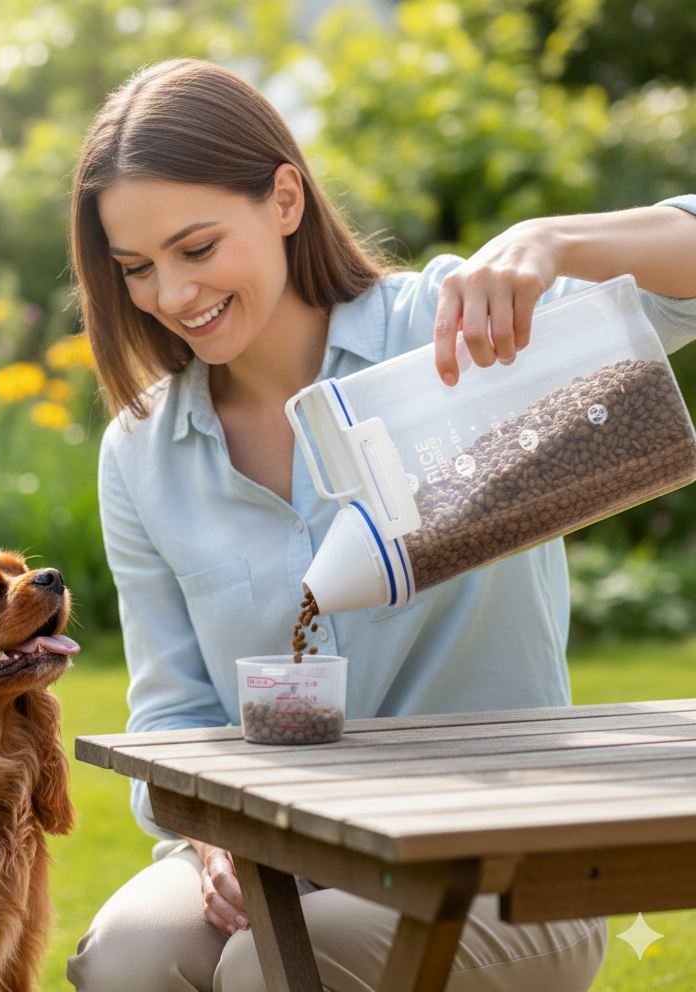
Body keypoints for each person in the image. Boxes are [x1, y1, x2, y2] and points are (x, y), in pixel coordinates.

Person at [66, 57, 696, 992]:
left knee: (269, 969)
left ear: (285, 199)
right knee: (129, 956)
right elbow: (176, 713)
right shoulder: (145, 452)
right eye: (136, 270)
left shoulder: (461, 338)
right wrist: (209, 840)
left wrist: (551, 242)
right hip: (283, 846)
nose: (169, 295)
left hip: (501, 855)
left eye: (196, 250)